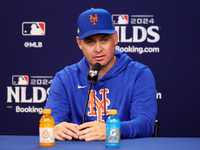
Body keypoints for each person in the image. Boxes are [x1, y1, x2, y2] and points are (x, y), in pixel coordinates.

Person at [44, 8, 157, 142]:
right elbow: (52, 119)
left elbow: (146, 124)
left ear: (115, 37)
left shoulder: (139, 74)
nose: (98, 49)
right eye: (90, 42)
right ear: (80, 43)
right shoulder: (65, 78)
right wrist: (55, 127)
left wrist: (112, 130)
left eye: (104, 40)